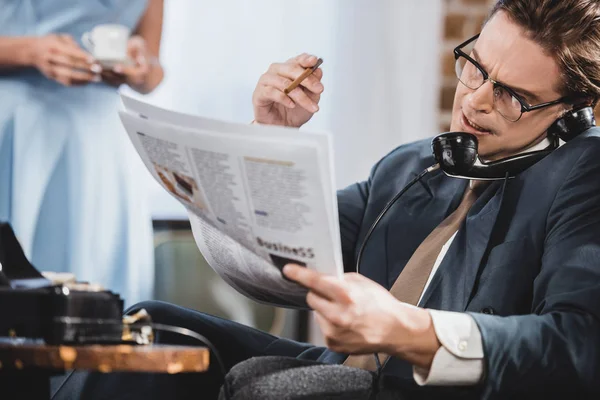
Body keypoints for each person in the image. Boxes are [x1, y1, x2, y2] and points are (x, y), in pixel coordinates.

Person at [55, 0, 600, 399]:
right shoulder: (414, 165)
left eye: (511, 95)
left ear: (573, 114)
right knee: (151, 330)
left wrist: (406, 330)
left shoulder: (584, 173)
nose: (473, 102)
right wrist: (269, 139)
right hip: (353, 373)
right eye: (475, 67)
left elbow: (581, 345)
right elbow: (278, 266)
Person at [0, 0, 164, 305]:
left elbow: (154, 70)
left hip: (101, 146)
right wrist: (29, 51)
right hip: (15, 134)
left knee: (104, 301)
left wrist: (140, 66)